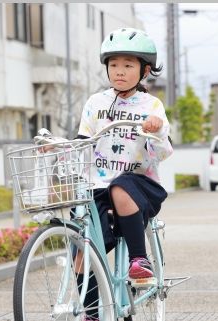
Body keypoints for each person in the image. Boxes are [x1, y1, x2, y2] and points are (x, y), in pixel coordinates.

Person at [75, 27, 173, 320]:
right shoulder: (95, 103)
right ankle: (91, 312)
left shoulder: (151, 105)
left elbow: (163, 151)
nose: (119, 71)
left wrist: (156, 128)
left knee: (121, 187)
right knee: (85, 246)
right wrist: (58, 147)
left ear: (144, 71)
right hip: (98, 186)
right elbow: (83, 141)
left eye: (128, 65)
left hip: (139, 183)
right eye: (114, 64)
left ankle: (139, 260)